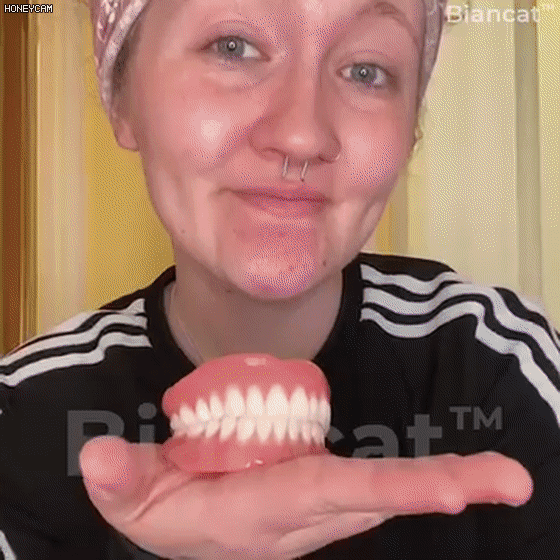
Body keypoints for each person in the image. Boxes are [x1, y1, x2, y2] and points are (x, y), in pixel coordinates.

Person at [1, 0, 558, 557]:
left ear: (410, 128)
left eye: (366, 71)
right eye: (233, 47)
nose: (301, 136)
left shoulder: (502, 368)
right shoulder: (22, 418)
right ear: (123, 97)